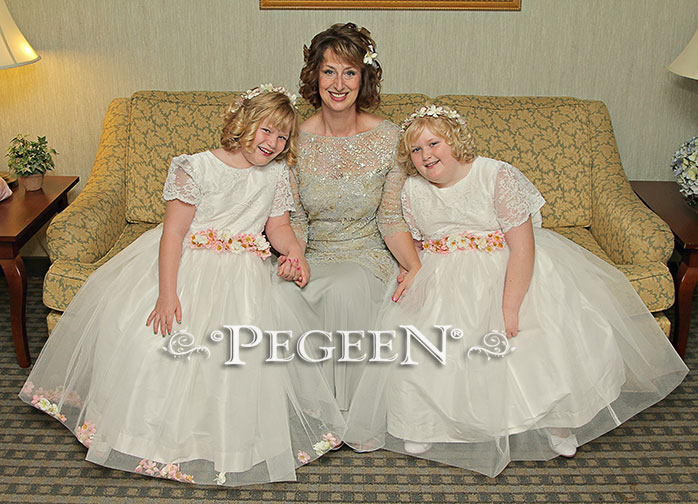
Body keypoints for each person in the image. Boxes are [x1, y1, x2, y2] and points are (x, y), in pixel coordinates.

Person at [18, 85, 344, 487]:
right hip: (187, 266)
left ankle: (229, 442)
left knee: (239, 354)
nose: (273, 143)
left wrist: (294, 253)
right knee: (155, 342)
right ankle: (144, 435)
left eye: (282, 137)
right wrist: (167, 293)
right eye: (266, 131)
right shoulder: (196, 166)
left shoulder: (277, 175)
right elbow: (172, 234)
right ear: (243, 123)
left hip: (242, 275)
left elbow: (278, 227)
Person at [344, 104, 689, 477]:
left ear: (454, 140)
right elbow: (415, 242)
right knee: (424, 339)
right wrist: (413, 272)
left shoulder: (494, 175)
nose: (426, 155)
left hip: (505, 268)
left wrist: (510, 305)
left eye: (434, 143)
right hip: (443, 272)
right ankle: (423, 422)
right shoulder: (412, 190)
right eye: (416, 150)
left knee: (534, 336)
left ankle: (559, 419)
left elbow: (523, 247)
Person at [277, 23, 421, 412]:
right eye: (329, 71)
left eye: (349, 72)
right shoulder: (293, 139)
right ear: (315, 76)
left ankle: (343, 411)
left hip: (366, 255)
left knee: (344, 288)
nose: (338, 83)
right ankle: (307, 409)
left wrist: (416, 267)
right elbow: (297, 219)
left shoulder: (390, 138)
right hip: (313, 251)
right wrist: (295, 259)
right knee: (277, 292)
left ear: (364, 78)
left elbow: (391, 217)